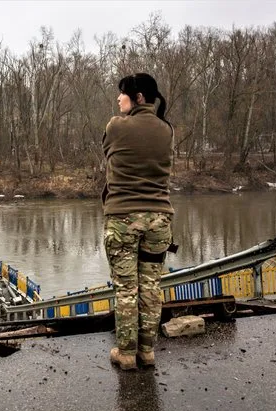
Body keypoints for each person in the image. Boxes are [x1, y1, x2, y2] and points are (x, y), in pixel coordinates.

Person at [101, 73, 174, 370]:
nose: (118, 99)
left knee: (127, 289)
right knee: (151, 287)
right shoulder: (167, 130)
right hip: (159, 220)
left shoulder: (117, 126)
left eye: (123, 93)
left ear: (139, 97)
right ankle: (147, 352)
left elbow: (109, 153)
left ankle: (127, 353)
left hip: (123, 219)